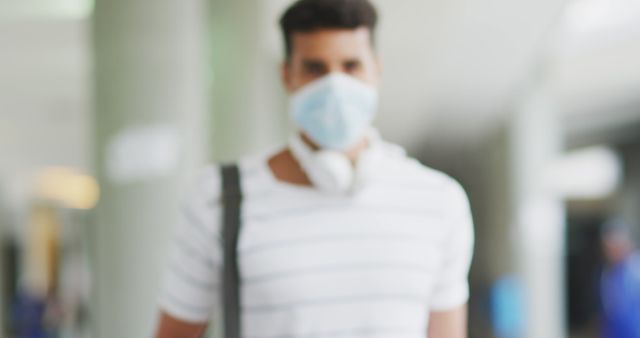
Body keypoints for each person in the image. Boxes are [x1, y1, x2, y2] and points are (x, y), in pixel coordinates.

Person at [153, 0, 474, 337]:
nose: (335, 86)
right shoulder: (217, 198)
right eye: (315, 68)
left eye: (351, 66)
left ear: (376, 70)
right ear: (286, 75)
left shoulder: (439, 202)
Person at [600, 218, 640, 338]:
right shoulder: (609, 273)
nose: (610, 252)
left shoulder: (636, 267)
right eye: (607, 247)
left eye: (614, 246)